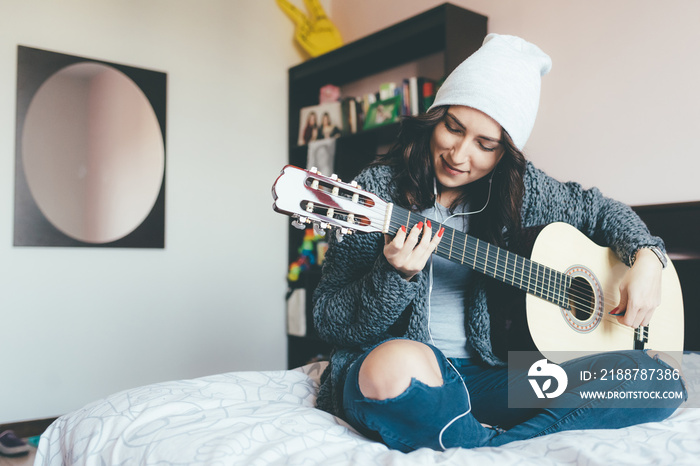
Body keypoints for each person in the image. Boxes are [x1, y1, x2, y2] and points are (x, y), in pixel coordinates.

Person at [312, 34, 686, 452]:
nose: (459, 153)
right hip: (410, 374)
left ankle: (482, 445)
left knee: (657, 379)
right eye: (453, 128)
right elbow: (329, 319)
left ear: (504, 154)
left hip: (493, 381)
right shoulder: (376, 192)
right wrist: (393, 275)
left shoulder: (522, 192)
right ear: (435, 118)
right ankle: (481, 438)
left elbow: (601, 211)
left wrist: (648, 258)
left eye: (485, 145)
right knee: (396, 365)